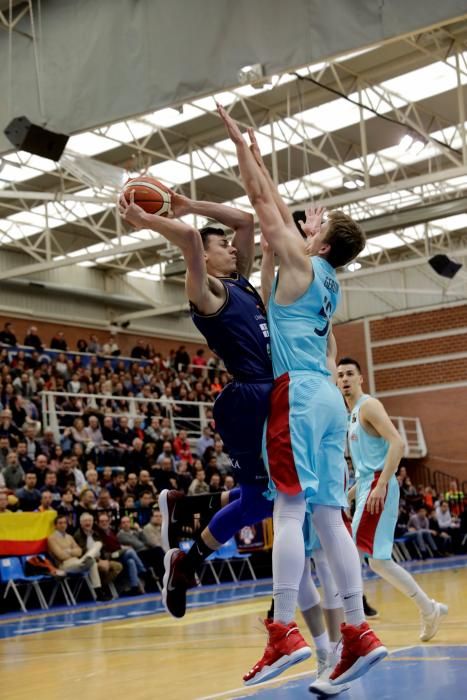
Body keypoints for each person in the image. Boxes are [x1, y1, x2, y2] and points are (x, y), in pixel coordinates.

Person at [218, 104, 385, 688]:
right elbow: (273, 280)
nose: (306, 225)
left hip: (295, 394)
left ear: (321, 240)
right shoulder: (328, 279)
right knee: (326, 515)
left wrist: (246, 151)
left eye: (317, 225)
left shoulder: (303, 263)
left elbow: (265, 208)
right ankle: (357, 633)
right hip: (326, 403)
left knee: (289, 510)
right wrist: (292, 217)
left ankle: (284, 629)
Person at [119, 185, 275, 620]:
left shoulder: (240, 282)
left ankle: (187, 553)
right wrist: (148, 220)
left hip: (271, 393)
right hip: (248, 398)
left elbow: (245, 220)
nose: (230, 246)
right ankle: (188, 538)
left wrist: (190, 204)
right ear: (205, 259)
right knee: (268, 500)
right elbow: (189, 238)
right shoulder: (206, 292)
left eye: (228, 244)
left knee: (262, 502)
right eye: (220, 245)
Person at [337, 357, 448, 644]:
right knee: (377, 561)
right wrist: (348, 495)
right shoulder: (350, 415)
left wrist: (381, 484)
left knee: (349, 549)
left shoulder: (369, 406)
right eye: (340, 375)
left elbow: (398, 443)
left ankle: (353, 624)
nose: (345, 379)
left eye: (350, 373)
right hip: (367, 485)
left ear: (361, 378)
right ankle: (428, 608)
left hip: (378, 484)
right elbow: (364, 466)